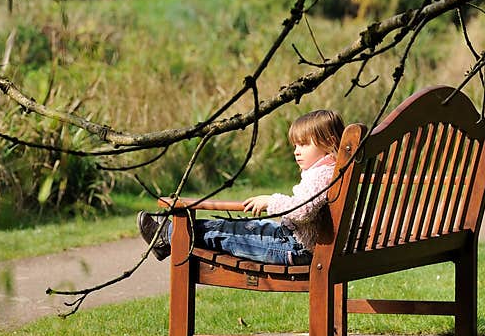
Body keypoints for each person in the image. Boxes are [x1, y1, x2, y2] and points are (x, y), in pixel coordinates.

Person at [137, 109, 345, 266]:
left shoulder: (321, 175)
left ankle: (169, 237)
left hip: (295, 248)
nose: (296, 152)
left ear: (329, 142)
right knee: (241, 227)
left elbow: (303, 210)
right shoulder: (335, 170)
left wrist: (270, 200)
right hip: (295, 240)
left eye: (304, 144)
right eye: (295, 146)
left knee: (230, 234)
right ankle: (169, 235)